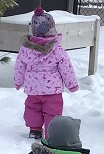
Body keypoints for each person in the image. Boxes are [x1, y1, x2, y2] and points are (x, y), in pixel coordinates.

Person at [13, 7, 79, 139]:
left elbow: (20, 66)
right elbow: (66, 67)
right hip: (52, 90)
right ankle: (51, 133)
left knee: (33, 109)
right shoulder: (56, 49)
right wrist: (72, 84)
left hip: (33, 89)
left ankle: (35, 130)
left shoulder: (26, 49)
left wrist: (18, 81)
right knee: (52, 112)